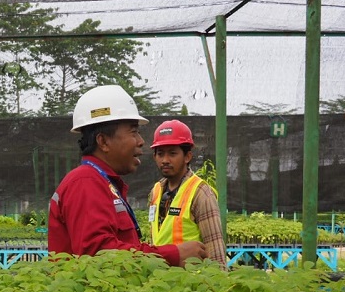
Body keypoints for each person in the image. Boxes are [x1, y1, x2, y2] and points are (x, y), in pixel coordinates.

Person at [48, 84, 207, 267]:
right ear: (104, 141)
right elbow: (98, 256)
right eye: (134, 132)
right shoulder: (86, 183)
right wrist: (173, 254)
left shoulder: (104, 184)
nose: (141, 141)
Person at [148, 119, 228, 269]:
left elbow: (215, 249)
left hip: (191, 285)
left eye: (172, 153)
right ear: (154, 157)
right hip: (160, 283)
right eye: (160, 154)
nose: (165, 160)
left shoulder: (200, 193)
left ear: (187, 157)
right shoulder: (156, 191)